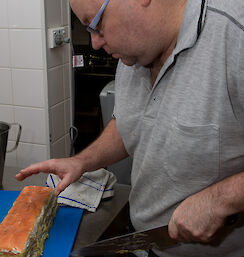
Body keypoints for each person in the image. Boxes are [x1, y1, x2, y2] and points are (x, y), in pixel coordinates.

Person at [16, 0, 244, 256]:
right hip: (147, 243)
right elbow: (133, 124)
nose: (95, 43)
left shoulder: (234, 32)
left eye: (97, 25)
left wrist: (221, 199)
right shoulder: (134, 52)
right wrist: (82, 162)